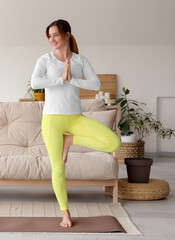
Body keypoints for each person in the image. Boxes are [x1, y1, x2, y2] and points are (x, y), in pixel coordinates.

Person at [31, 19, 121, 228]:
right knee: (58, 168)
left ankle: (69, 140)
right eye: (49, 36)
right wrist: (60, 80)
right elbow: (35, 82)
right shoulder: (45, 60)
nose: (52, 39)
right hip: (52, 119)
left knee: (113, 142)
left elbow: (95, 83)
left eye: (55, 35)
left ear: (67, 34)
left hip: (75, 117)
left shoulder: (80, 60)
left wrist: (72, 80)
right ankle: (65, 213)